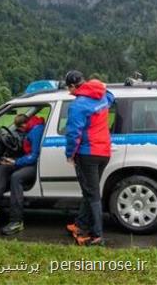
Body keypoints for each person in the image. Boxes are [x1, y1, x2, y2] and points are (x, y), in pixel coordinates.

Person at [63, 70, 115, 246]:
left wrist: (70, 154)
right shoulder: (101, 97)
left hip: (88, 154)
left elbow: (73, 134)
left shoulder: (78, 105)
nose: (68, 91)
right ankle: (80, 224)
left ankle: (97, 235)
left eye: (67, 88)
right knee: (89, 190)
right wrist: (102, 86)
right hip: (104, 153)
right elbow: (111, 96)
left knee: (92, 195)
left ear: (72, 86)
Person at [0, 114, 45, 235]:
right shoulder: (33, 127)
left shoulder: (35, 131)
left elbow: (33, 156)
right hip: (31, 161)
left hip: (36, 164)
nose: (19, 131)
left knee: (16, 177)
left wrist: (16, 161)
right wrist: (12, 160)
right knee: (4, 166)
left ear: (24, 125)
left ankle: (16, 221)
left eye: (19, 129)